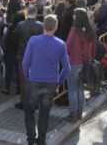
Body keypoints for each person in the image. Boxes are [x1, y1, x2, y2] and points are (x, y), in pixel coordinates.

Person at [22, 15, 70, 145]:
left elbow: (25, 63)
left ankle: (31, 140)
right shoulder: (61, 44)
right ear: (56, 27)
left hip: (34, 81)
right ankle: (41, 141)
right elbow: (66, 68)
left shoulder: (33, 40)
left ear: (43, 25)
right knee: (44, 114)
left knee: (29, 111)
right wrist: (58, 82)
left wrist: (28, 77)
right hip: (51, 83)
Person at [65, 8, 97, 121]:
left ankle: (73, 113)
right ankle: (79, 113)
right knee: (80, 89)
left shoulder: (75, 30)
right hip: (86, 62)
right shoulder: (91, 30)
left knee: (72, 89)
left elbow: (67, 46)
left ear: (76, 17)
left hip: (74, 61)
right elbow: (94, 49)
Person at [15, 6, 43, 110]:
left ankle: (24, 101)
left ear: (27, 13)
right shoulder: (40, 26)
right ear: (35, 13)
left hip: (23, 54)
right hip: (36, 56)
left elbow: (14, 37)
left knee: (24, 80)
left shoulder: (20, 25)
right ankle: (34, 101)